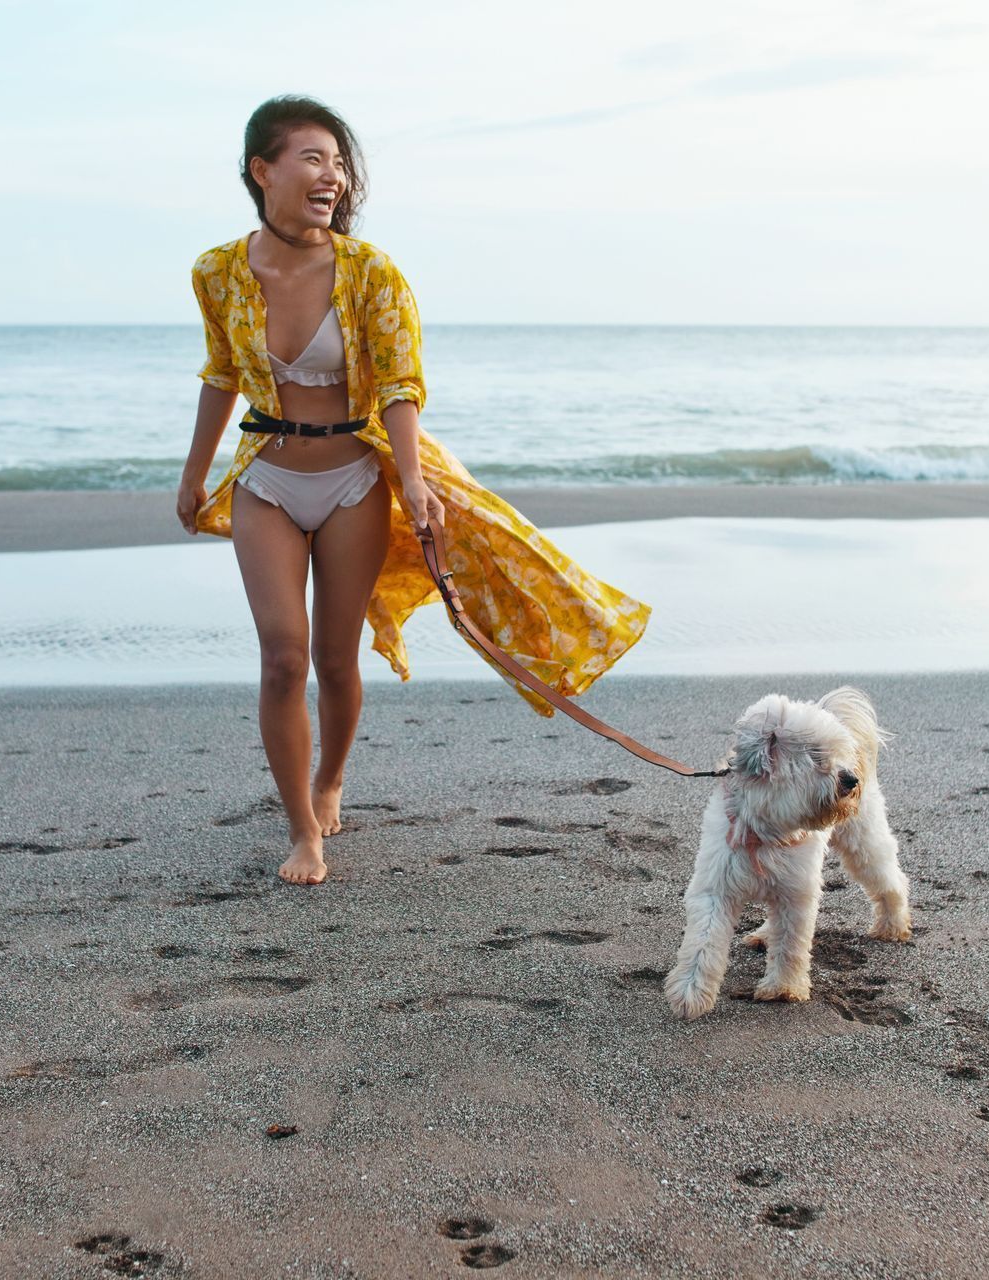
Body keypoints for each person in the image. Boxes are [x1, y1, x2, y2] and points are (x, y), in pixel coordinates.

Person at [177, 95, 652, 888]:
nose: (331, 175)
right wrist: (193, 474)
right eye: (312, 158)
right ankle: (302, 829)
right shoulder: (217, 270)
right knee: (282, 658)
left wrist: (414, 481)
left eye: (338, 161)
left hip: (354, 480)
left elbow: (400, 385)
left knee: (335, 656)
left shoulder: (371, 272)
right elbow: (222, 376)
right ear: (263, 170)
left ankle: (330, 778)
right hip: (267, 481)